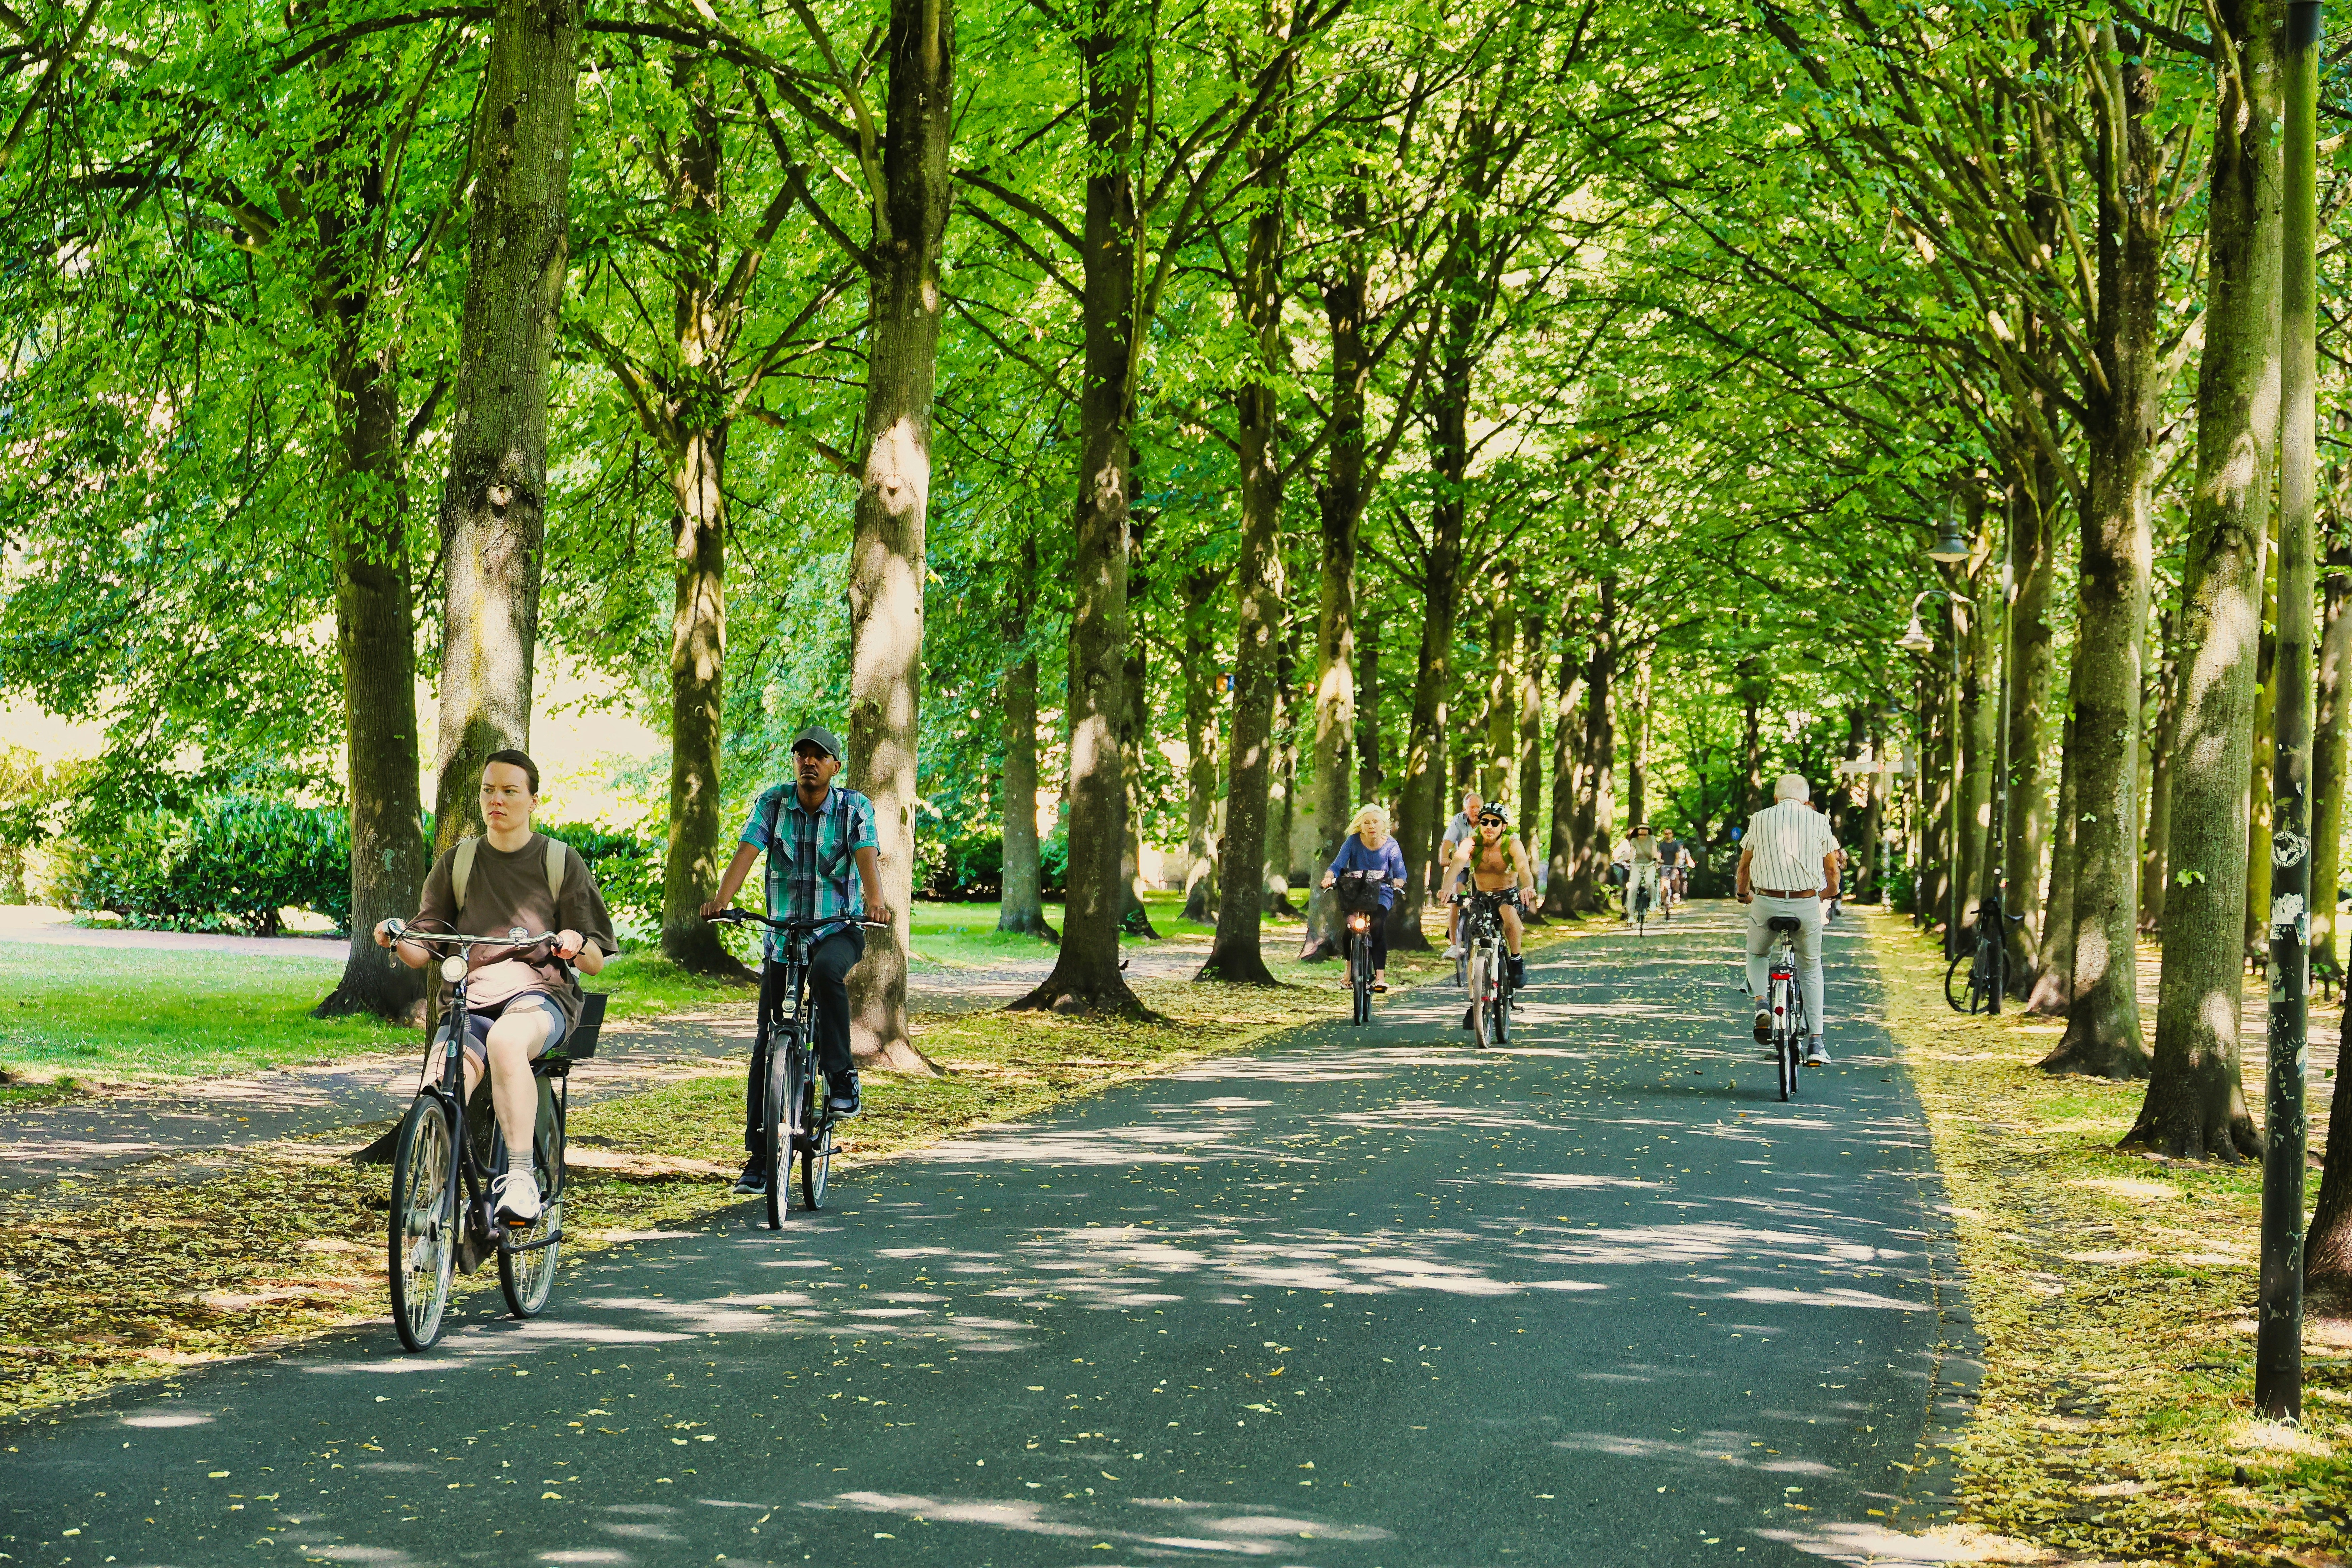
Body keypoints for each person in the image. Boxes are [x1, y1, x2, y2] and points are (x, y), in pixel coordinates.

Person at [378, 750, 616, 1226]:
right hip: (471, 1003)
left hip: (540, 997)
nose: (497, 800)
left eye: (510, 791)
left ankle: (522, 1178)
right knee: (440, 1086)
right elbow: (423, 948)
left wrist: (573, 941)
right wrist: (396, 936)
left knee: (507, 1040)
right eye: (489, 789)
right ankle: (438, 1207)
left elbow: (594, 961)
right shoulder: (458, 862)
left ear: (533, 800)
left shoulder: (558, 860)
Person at [702, 725, 891, 1195]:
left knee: (828, 973)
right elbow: (747, 850)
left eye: (819, 756)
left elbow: (866, 854)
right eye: (802, 756)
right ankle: (759, 1160)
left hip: (837, 928)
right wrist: (722, 899)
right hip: (785, 937)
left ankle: (841, 1076)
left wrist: (874, 899)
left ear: (835, 766)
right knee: (769, 1040)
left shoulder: (854, 807)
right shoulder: (774, 802)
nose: (809, 763)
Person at [1736, 773, 1842, 1067]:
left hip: (1767, 901)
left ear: (1776, 797)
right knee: (1811, 969)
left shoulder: (1759, 819)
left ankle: (1761, 1004)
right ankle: (1817, 1043)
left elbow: (1744, 866)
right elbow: (1832, 869)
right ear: (1807, 800)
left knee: (1757, 953)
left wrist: (1743, 894)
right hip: (1806, 903)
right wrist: (1828, 894)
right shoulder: (1820, 821)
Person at [1448, 804, 1534, 1017]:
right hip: (1482, 896)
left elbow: (1523, 866)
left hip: (1508, 894)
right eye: (1484, 822)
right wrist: (1444, 889)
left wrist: (1528, 886)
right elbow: (1456, 866)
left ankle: (1516, 960)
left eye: (1495, 823)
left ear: (1503, 826)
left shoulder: (1512, 844)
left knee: (1509, 916)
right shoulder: (1472, 843)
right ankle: (1475, 1002)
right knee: (1476, 944)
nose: (1489, 826)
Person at [1320, 804, 1409, 991]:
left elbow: (1401, 872)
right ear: (1361, 825)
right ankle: (1348, 972)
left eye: (1376, 822)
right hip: (1355, 891)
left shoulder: (1391, 845)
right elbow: (1337, 865)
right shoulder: (1353, 842)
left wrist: (1399, 881)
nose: (1371, 826)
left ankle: (1380, 978)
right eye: (1367, 822)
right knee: (1350, 929)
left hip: (1381, 892)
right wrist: (1329, 877)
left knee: (1377, 926)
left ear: (1383, 824)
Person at [1439, 786, 1484, 959]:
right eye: (1472, 807)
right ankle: (1453, 945)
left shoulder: (1487, 821)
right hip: (1463, 866)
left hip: (1482, 867)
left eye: (1478, 807)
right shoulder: (1459, 821)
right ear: (1465, 809)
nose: (1476, 811)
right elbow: (1448, 843)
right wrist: (1444, 858)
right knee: (1456, 899)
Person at [1614, 823, 1663, 922]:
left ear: (1649, 831)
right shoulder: (1634, 841)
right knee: (1632, 888)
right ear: (1638, 831)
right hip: (1637, 865)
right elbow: (1632, 853)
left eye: (1646, 829)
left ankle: (1653, 902)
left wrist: (1658, 859)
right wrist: (1627, 860)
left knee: (1650, 883)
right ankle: (1631, 915)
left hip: (1650, 865)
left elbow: (1654, 851)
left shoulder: (1652, 839)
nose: (1643, 832)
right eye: (1641, 830)